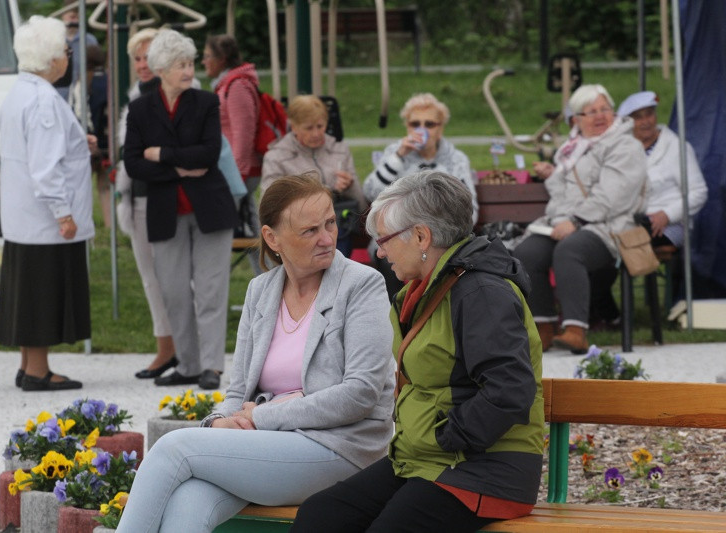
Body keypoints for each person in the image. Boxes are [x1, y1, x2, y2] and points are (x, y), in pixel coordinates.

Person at [115, 174, 395, 533]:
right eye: (310, 231)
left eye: (329, 224)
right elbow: (238, 392)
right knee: (189, 504)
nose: (327, 238)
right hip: (269, 446)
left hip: (341, 449)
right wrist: (219, 422)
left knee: (173, 448)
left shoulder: (362, 284)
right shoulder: (260, 291)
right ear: (271, 238)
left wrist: (264, 417)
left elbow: (361, 394)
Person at [292, 170, 544, 533]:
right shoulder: (427, 289)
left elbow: (509, 391)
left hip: (485, 470)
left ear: (422, 236)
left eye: (384, 239)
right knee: (321, 516)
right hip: (424, 460)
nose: (379, 251)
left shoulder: (481, 293)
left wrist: (445, 436)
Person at [123, 29, 238, 390]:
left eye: (190, 63)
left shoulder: (206, 102)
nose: (188, 70)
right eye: (179, 65)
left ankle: (211, 367)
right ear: (160, 68)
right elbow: (132, 164)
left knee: (210, 290)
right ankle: (187, 364)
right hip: (165, 212)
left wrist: (162, 155)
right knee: (172, 291)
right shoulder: (141, 109)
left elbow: (208, 153)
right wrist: (179, 166)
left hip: (210, 210)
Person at [0, 15, 95, 391]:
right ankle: (38, 370)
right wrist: (63, 213)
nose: (68, 57)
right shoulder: (44, 101)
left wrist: (75, 144)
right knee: (42, 291)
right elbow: (45, 166)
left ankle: (28, 364)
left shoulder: (19, 92)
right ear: (53, 58)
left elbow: (32, 149)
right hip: (44, 219)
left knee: (28, 289)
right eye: (66, 51)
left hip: (22, 216)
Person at [513, 84, 647, 354]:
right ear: (576, 119)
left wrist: (575, 222)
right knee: (527, 252)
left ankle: (576, 330)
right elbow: (564, 192)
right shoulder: (571, 148)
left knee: (569, 250)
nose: (599, 116)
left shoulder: (626, 145)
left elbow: (613, 196)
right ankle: (544, 328)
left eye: (604, 109)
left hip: (612, 226)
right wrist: (554, 183)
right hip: (571, 222)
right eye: (590, 112)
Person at [363, 93, 477, 299]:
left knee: (445, 259)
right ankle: (395, 320)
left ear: (440, 128)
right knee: (389, 258)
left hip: (441, 237)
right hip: (395, 233)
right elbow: (371, 192)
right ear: (407, 126)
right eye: (415, 123)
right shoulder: (395, 152)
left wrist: (439, 233)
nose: (421, 129)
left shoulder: (455, 159)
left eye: (430, 124)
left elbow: (470, 208)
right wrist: (399, 157)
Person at [114, 28, 177, 380]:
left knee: (175, 277)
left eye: (147, 57)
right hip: (139, 195)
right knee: (151, 278)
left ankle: (180, 349)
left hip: (166, 196)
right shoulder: (138, 95)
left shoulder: (175, 95)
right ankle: (166, 347)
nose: (141, 64)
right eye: (136, 58)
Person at [261, 94, 366, 257]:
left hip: (337, 226)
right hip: (297, 231)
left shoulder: (339, 148)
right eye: (309, 128)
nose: (317, 133)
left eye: (320, 126)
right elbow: (268, 204)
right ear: (294, 127)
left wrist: (350, 185)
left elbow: (360, 203)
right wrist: (326, 192)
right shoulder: (277, 156)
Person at [202, 34, 262, 274]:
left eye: (207, 56)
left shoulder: (236, 87)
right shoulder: (227, 84)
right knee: (253, 236)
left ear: (221, 58)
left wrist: (236, 177)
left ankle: (274, 292)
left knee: (244, 236)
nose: (203, 61)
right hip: (235, 172)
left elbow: (243, 134)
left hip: (239, 173)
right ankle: (270, 292)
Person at [617, 90, 708, 248]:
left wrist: (667, 215)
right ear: (628, 122)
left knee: (622, 243)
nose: (646, 121)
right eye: (638, 117)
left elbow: (699, 192)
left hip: (669, 224)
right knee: (601, 240)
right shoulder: (623, 149)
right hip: (631, 221)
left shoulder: (677, 148)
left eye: (649, 114)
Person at [70, 43, 111, 228]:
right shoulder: (111, 80)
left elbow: (78, 114)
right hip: (107, 142)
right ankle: (110, 225)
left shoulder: (82, 84)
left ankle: (83, 222)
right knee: (105, 187)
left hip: (88, 142)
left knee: (83, 187)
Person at [57, 0, 99, 102]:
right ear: (63, 16)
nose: (74, 21)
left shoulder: (90, 40)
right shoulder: (55, 40)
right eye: (71, 17)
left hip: (84, 97)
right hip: (59, 96)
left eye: (77, 17)